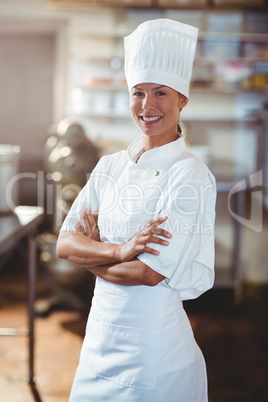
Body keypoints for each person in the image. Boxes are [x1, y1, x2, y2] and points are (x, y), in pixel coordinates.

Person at [57, 18, 217, 402]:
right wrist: (120, 250)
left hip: (154, 355)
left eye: (160, 93)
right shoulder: (110, 166)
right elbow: (64, 245)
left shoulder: (190, 176)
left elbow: (146, 273)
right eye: (138, 93)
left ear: (182, 101)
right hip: (98, 341)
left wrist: (91, 253)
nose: (147, 106)